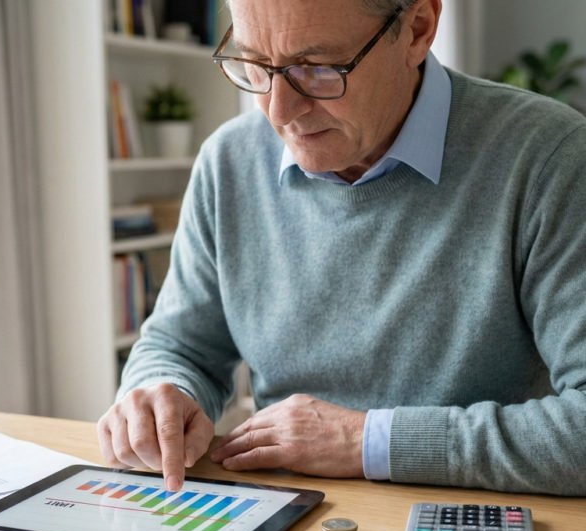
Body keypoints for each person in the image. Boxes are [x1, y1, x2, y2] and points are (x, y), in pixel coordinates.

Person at [98, 0, 586, 496]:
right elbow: (181, 346)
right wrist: (162, 393)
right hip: (279, 519)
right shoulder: (228, 162)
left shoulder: (550, 158)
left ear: (417, 29)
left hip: (470, 526)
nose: (278, 110)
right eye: (254, 64)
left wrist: (366, 441)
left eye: (316, 68)